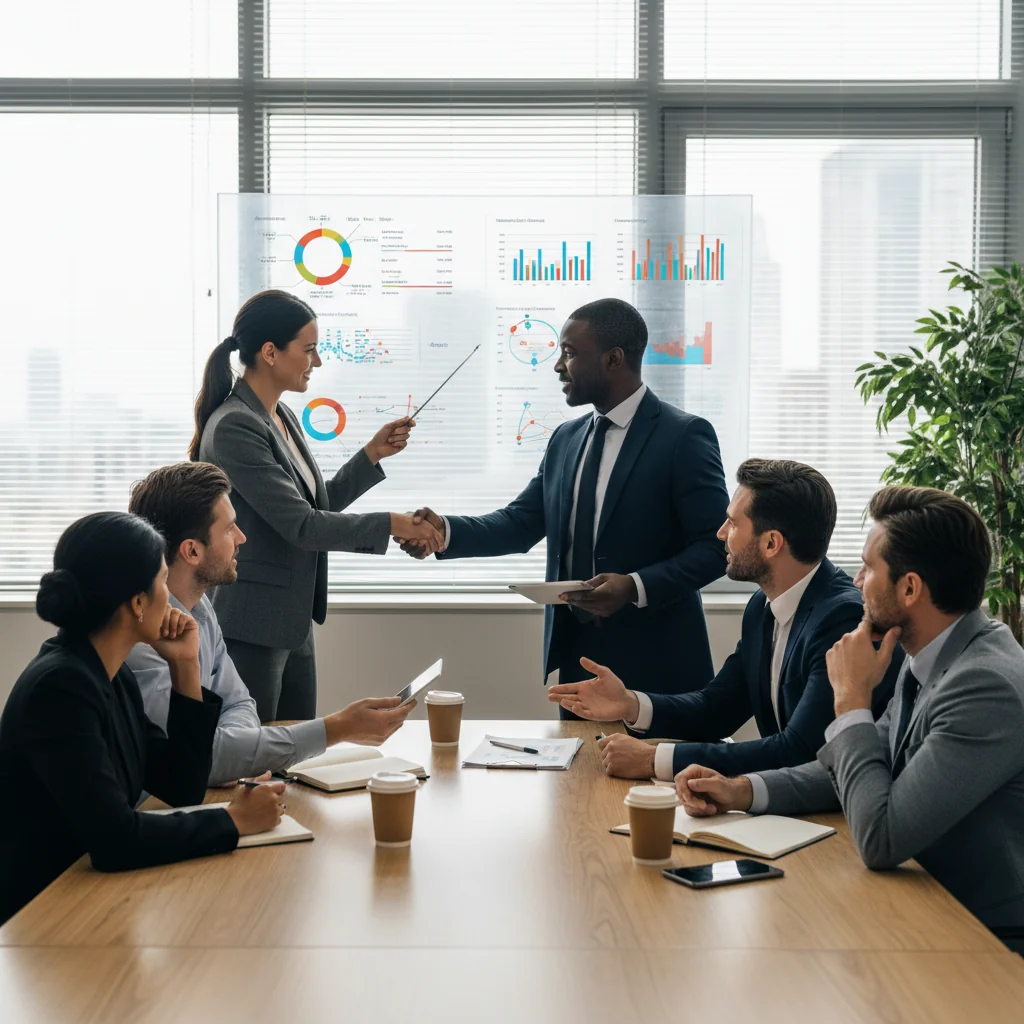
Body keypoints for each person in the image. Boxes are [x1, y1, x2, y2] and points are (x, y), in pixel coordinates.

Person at [674, 486, 1024, 954]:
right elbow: (858, 762)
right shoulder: (932, 650)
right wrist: (742, 789)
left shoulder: (983, 686)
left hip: (979, 938)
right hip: (918, 902)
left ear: (910, 588)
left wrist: (852, 698)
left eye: (868, 567)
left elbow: (881, 838)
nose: (856, 580)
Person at [400, 298, 729, 711]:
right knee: (576, 777)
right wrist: (443, 531)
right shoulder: (566, 439)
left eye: (570, 354)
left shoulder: (684, 436)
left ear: (613, 359)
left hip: (660, 667)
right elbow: (521, 522)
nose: (558, 366)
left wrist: (634, 587)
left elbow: (717, 547)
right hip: (579, 662)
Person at [0, 513, 285, 926]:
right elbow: (116, 841)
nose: (170, 598)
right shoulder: (61, 688)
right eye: (163, 582)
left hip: (90, 898)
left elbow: (181, 785)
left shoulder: (111, 676)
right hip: (46, 916)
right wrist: (233, 820)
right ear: (137, 602)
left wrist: (186, 666)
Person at [549, 458, 902, 778]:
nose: (720, 534)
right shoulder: (762, 608)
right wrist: (631, 703)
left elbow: (800, 751)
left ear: (771, 543)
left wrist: (656, 760)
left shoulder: (842, 618)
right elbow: (716, 708)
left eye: (732, 523)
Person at [190, 289, 442, 722]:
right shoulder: (235, 426)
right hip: (253, 623)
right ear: (270, 352)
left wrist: (371, 456)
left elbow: (310, 504)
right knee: (258, 753)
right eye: (309, 350)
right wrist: (395, 523)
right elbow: (302, 526)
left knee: (296, 751)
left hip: (291, 619)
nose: (318, 361)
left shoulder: (279, 416)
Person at [125, 462, 416, 784]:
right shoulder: (143, 637)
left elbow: (239, 702)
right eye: (229, 528)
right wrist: (336, 728)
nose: (242, 537)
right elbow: (186, 759)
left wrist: (229, 754)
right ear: (192, 551)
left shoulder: (201, 607)